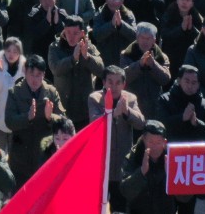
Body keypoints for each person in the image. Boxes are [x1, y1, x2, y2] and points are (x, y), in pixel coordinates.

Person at [4, 54, 65, 187]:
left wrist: (50, 118)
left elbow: (64, 121)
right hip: (20, 158)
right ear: (25, 72)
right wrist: (28, 117)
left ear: (43, 75)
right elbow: (9, 121)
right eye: (31, 74)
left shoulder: (51, 92)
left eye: (39, 75)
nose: (35, 79)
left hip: (44, 155)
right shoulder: (15, 92)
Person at [90, 65, 145, 212]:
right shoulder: (95, 98)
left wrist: (127, 111)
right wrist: (113, 113)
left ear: (124, 84)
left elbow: (141, 123)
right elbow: (94, 123)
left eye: (118, 82)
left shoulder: (130, 98)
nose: (114, 86)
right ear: (104, 82)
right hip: (101, 164)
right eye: (110, 82)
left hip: (121, 164)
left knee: (120, 207)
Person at [120, 120, 190, 214]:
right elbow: (125, 191)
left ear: (165, 142)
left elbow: (185, 198)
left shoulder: (174, 158)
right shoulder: (133, 156)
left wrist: (172, 177)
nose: (154, 147)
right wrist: (141, 172)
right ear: (144, 139)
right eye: (151, 142)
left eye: (158, 142)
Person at [48, 15, 104, 130]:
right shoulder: (55, 47)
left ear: (82, 33)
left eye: (75, 33)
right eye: (68, 32)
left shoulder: (89, 47)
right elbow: (55, 69)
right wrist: (72, 59)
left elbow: (101, 70)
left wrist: (87, 57)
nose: (71, 37)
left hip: (83, 108)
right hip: (62, 106)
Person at [0, 37, 24, 152]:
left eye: (15, 52)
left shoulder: (25, 68)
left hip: (16, 119)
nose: (11, 54)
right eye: (8, 51)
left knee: (15, 155)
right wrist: (1, 73)